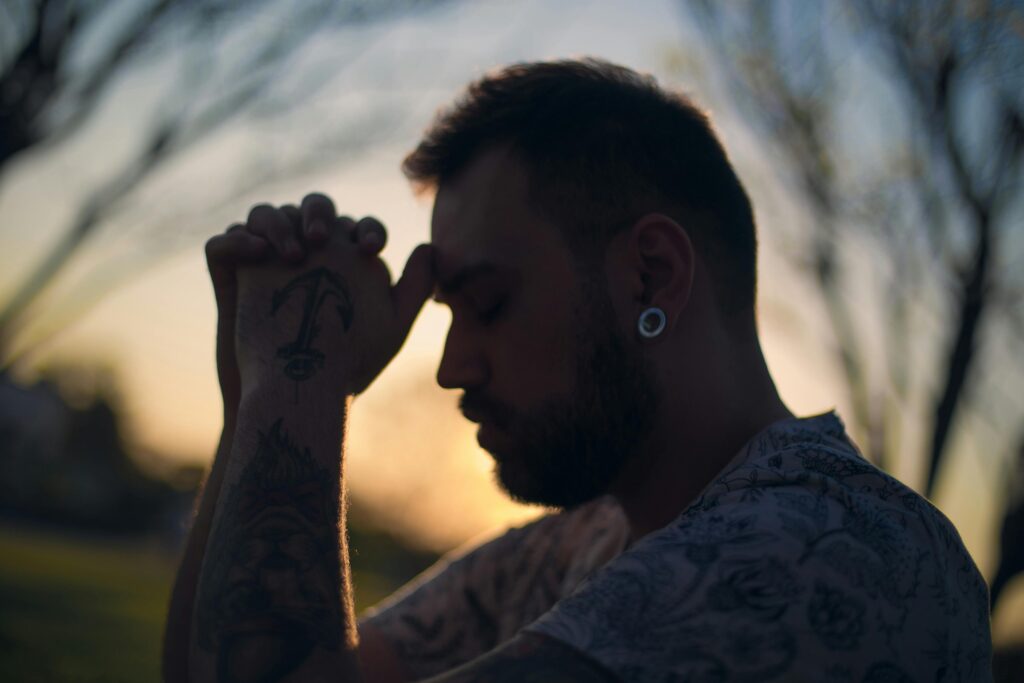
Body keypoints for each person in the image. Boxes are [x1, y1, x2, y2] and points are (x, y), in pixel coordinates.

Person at [163, 59, 992, 682]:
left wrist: (300, 376)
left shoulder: (835, 551)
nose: (452, 367)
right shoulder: (569, 545)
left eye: (486, 303)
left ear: (650, 276)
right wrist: (253, 400)